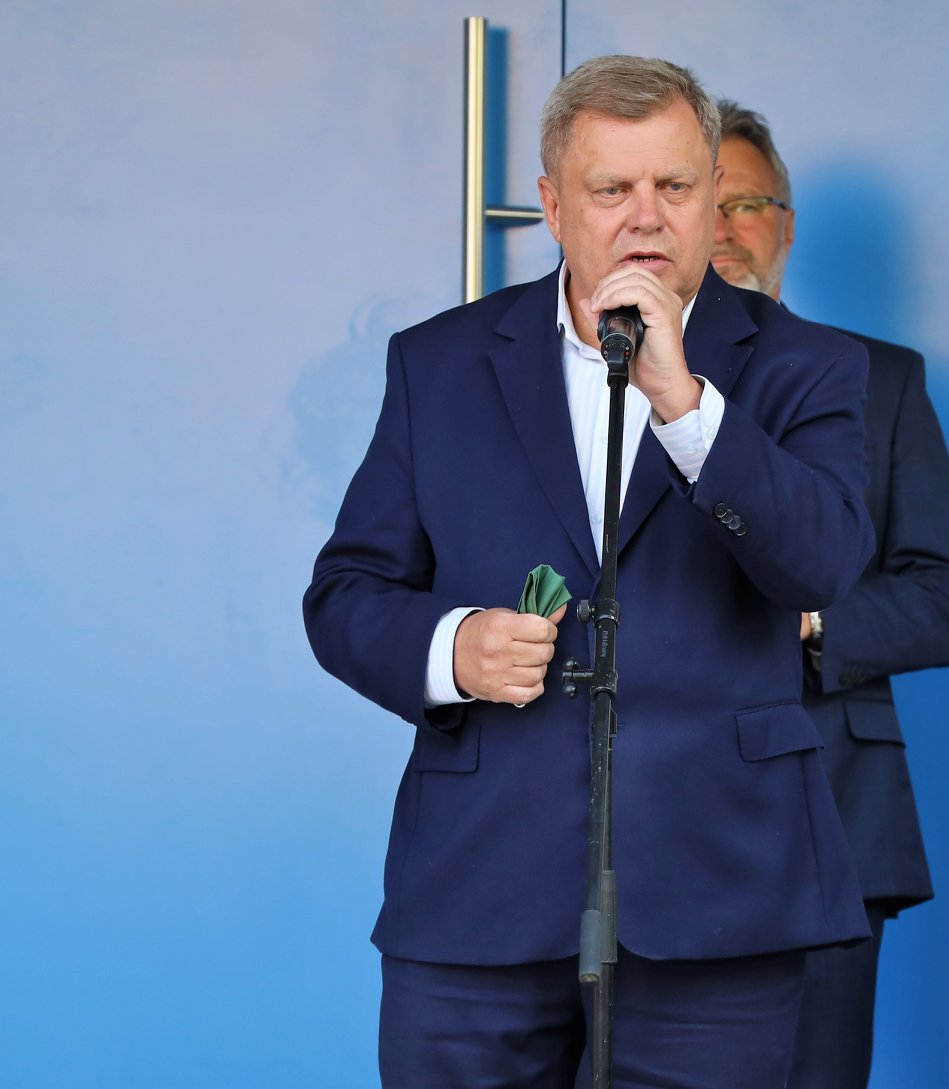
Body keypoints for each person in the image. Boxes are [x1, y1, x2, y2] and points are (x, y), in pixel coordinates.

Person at [303, 56, 874, 1088]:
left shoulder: (810, 365)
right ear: (555, 205)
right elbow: (347, 595)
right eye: (612, 189)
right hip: (476, 890)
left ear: (712, 195)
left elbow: (823, 563)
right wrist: (453, 649)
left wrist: (684, 403)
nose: (645, 217)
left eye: (674, 185)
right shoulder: (436, 363)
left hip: (719, 897)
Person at [711, 100, 949, 1088]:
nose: (726, 229)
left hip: (832, 813)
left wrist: (810, 622)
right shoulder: (605, 388)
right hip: (644, 825)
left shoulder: (881, 381)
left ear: (785, 226)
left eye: (748, 204)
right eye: (705, 203)